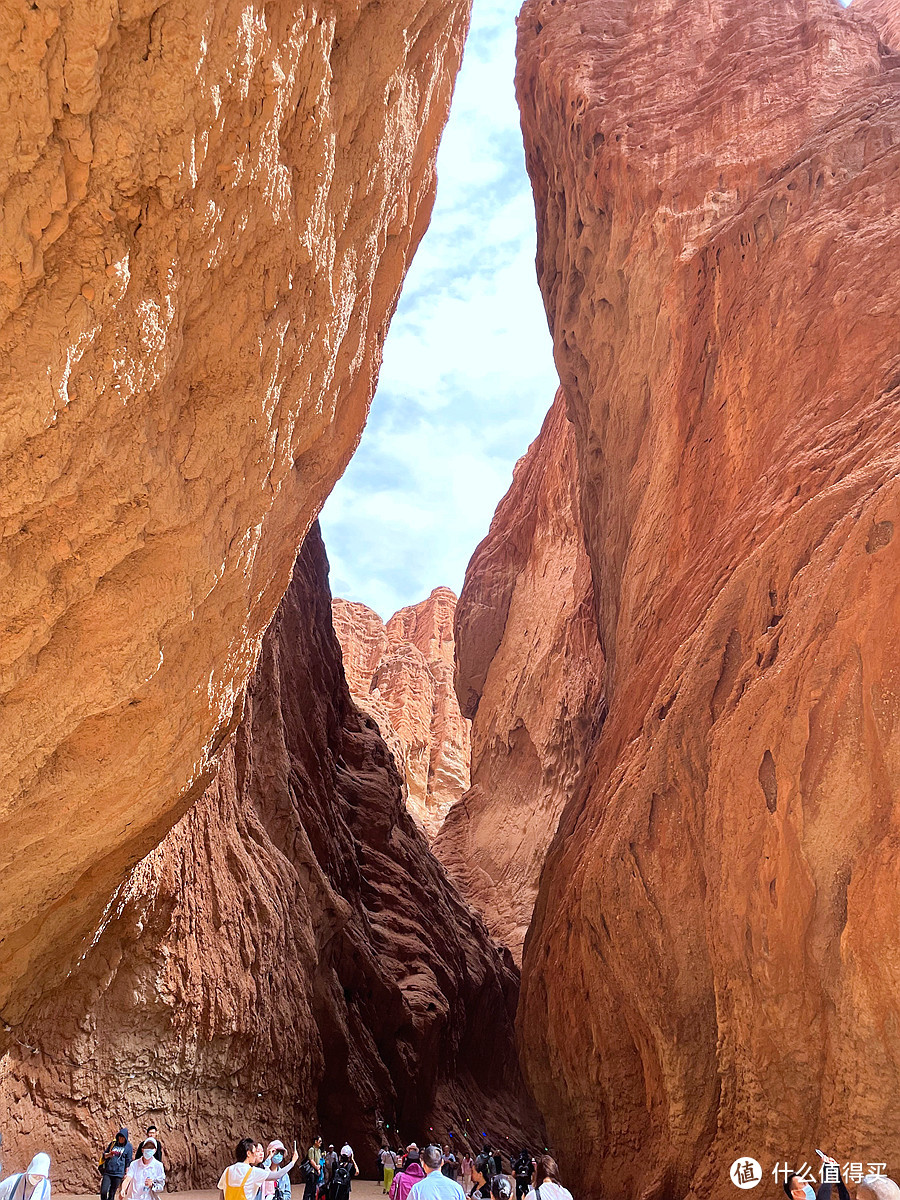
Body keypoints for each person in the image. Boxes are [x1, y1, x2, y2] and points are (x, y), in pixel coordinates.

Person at [217, 1137, 298, 1200]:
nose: (256, 1154)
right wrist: (292, 1162)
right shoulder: (253, 1172)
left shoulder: (228, 1170)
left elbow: (222, 1193)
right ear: (248, 1153)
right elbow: (277, 1175)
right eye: (255, 1152)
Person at [100, 1129, 134, 1200]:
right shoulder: (113, 1144)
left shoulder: (128, 1147)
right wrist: (110, 1154)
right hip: (108, 1171)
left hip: (118, 1173)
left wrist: (126, 1173)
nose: (121, 1139)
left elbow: (128, 1161)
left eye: (123, 1137)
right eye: (119, 1137)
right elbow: (104, 1155)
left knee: (112, 1193)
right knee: (103, 1191)